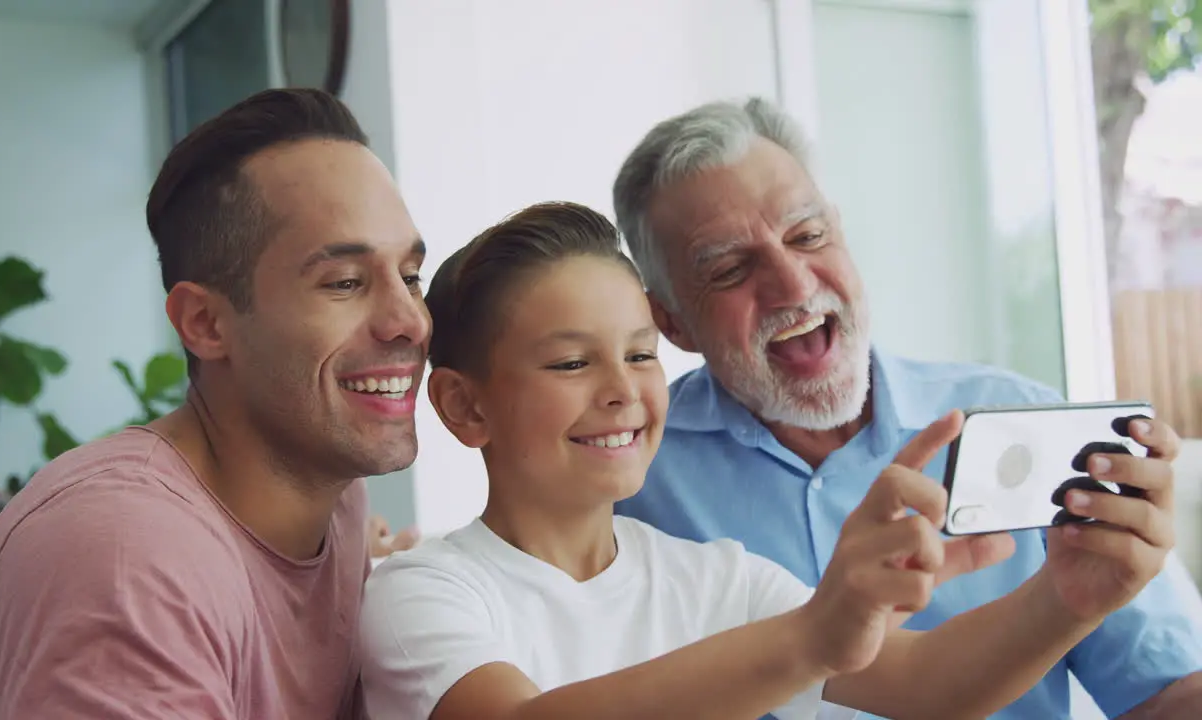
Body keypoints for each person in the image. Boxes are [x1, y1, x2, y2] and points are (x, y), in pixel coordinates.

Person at [358, 201, 1176, 720]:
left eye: (640, 356)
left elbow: (925, 683)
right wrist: (815, 635)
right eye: (572, 364)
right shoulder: (421, 593)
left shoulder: (717, 578)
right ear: (465, 406)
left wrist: (1068, 598)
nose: (621, 392)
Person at [610, 97, 1202, 719]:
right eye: (730, 269)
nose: (794, 284)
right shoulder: (629, 479)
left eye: (809, 235)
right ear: (671, 323)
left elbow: (1171, 693)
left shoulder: (1022, 421)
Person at [0, 88, 429, 719]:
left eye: (410, 277)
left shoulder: (337, 506)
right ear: (205, 323)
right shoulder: (128, 554)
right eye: (345, 283)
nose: (409, 320)